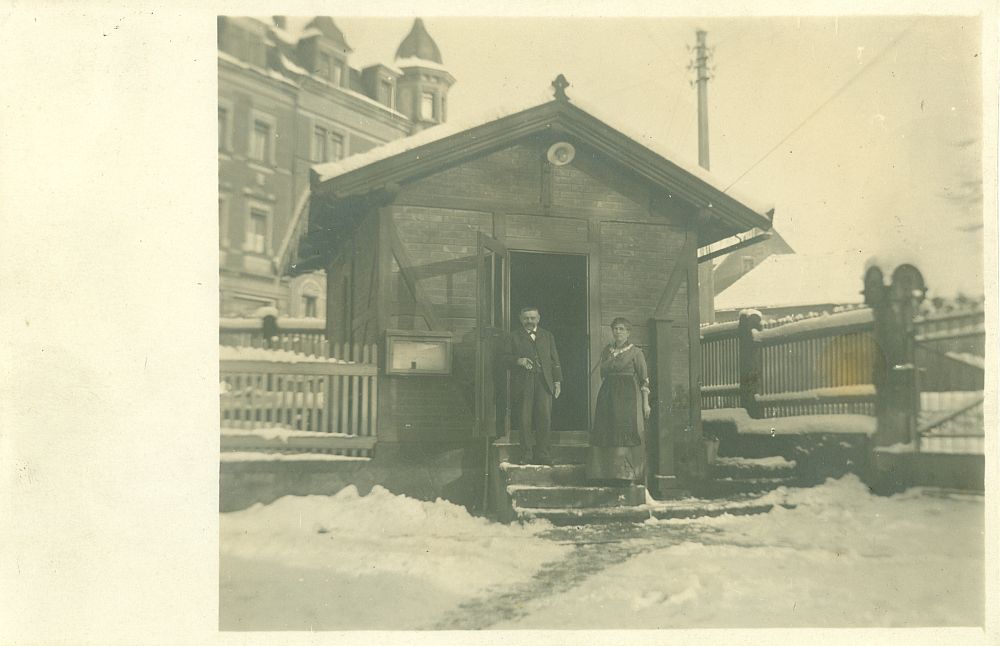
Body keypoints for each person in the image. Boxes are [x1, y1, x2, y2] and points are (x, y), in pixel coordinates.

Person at [587, 317, 651, 483]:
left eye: (622, 329)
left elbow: (644, 379)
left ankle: (625, 475)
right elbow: (603, 373)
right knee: (606, 429)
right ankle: (605, 474)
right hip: (607, 394)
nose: (618, 332)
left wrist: (645, 402)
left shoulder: (636, 352)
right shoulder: (607, 351)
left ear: (628, 332)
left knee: (624, 430)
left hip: (627, 395)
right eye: (615, 328)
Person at [503, 306, 562, 466]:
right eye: (526, 318)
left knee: (544, 418)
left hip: (544, 382)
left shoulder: (547, 336)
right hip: (524, 382)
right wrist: (518, 360)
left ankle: (543, 454)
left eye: (532, 318)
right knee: (524, 419)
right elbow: (504, 358)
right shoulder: (513, 337)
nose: (529, 321)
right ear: (520, 319)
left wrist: (557, 381)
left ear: (538, 318)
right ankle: (526, 454)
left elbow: (555, 360)